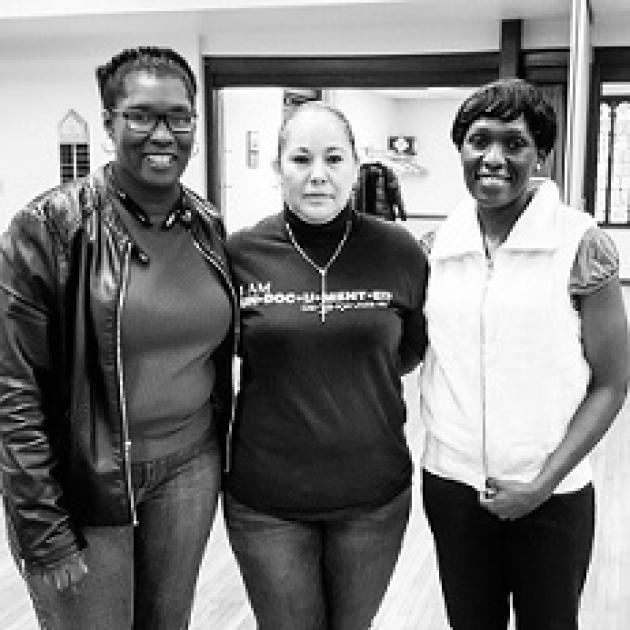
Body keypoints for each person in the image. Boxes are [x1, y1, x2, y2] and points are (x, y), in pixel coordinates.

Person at [0, 46, 236, 630]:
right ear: (108, 124)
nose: (163, 133)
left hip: (189, 469)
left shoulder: (206, 224)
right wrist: (40, 526)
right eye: (141, 115)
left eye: (179, 117)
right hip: (86, 481)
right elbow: (13, 388)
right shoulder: (50, 227)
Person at [419, 77, 629, 630]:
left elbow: (611, 382)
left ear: (541, 153)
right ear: (460, 148)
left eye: (514, 143)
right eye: (479, 140)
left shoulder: (581, 245)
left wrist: (543, 483)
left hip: (552, 493)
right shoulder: (436, 249)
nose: (494, 158)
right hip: (453, 488)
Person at [224, 101, 428, 630]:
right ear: (278, 170)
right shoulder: (241, 254)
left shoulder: (399, 251)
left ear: (356, 168)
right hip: (267, 502)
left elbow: (409, 350)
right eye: (301, 159)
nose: (318, 175)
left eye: (334, 158)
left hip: (373, 499)